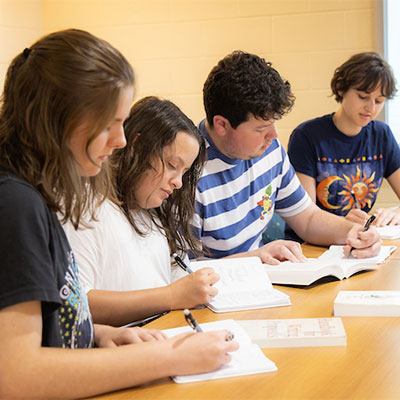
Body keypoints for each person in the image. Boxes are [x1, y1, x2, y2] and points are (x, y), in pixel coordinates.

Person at [0, 30, 237, 399]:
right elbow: (17, 375)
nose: (121, 141)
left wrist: (95, 333)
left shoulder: (35, 196)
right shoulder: (14, 204)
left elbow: (49, 318)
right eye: (110, 123)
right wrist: (167, 357)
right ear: (62, 118)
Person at [191, 50, 381, 265]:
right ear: (222, 125)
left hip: (257, 281)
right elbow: (179, 273)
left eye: (274, 123)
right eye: (261, 128)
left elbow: (308, 219)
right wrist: (252, 258)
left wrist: (356, 232)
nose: (274, 135)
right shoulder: (186, 173)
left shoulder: (268, 150)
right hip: (213, 293)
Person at [63, 96, 219, 327]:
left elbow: (176, 274)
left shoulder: (152, 208)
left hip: (164, 330)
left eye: (184, 172)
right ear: (136, 146)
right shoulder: (87, 207)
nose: (178, 182)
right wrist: (170, 296)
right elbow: (78, 304)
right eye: (172, 166)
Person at [287, 52, 400, 227]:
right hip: (314, 242)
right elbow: (305, 216)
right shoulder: (307, 136)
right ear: (341, 88)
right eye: (363, 97)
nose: (370, 108)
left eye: (379, 101)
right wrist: (344, 225)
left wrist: (393, 214)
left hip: (358, 239)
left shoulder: (381, 135)